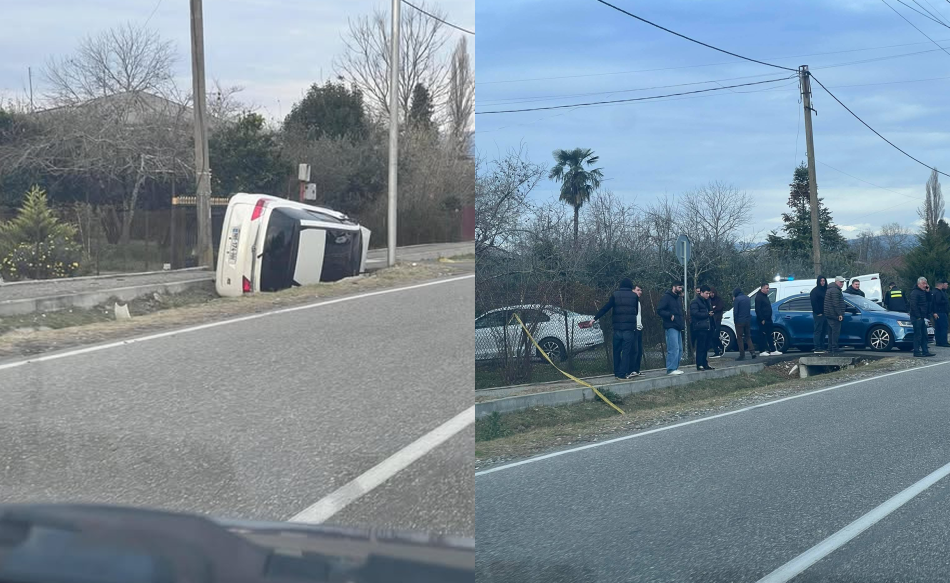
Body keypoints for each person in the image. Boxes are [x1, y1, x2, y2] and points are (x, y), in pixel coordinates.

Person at [590, 278, 641, 379]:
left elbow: (606, 308)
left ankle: (617, 372)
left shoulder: (615, 295)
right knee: (626, 352)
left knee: (616, 351)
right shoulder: (634, 296)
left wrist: (595, 318)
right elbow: (635, 311)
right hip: (629, 329)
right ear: (630, 286)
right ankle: (623, 373)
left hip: (617, 328)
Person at [657, 282, 686, 375]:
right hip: (670, 325)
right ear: (673, 287)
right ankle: (671, 368)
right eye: (679, 287)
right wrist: (669, 315)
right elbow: (660, 310)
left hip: (678, 326)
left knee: (680, 349)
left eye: (681, 287)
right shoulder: (666, 297)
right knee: (673, 348)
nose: (680, 289)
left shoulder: (678, 299)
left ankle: (675, 367)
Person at [690, 285, 715, 371]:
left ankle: (705, 363)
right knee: (700, 347)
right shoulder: (695, 302)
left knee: (706, 347)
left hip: (708, 327)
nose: (708, 295)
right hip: (700, 327)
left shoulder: (707, 301)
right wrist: (707, 314)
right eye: (706, 293)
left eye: (709, 293)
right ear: (701, 293)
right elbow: (695, 313)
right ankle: (699, 364)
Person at [909, 276, 935, 357]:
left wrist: (928, 292)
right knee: (918, 335)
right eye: (923, 283)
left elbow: (930, 300)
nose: (925, 285)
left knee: (924, 334)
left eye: (926, 283)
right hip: (917, 317)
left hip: (923, 317)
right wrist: (918, 316)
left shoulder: (924, 292)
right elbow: (913, 305)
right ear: (919, 284)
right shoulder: (915, 293)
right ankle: (916, 352)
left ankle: (925, 351)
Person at [754, 283, 779, 355]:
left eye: (768, 288)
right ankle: (762, 350)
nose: (768, 290)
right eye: (767, 288)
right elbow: (757, 309)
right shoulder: (759, 297)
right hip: (763, 320)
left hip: (768, 318)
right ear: (762, 289)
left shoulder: (765, 296)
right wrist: (762, 319)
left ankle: (773, 350)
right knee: (762, 335)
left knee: (769, 334)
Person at [824, 276, 846, 356]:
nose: (842, 284)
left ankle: (830, 348)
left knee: (830, 332)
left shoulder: (830, 289)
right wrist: (840, 314)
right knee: (835, 332)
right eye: (841, 282)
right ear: (836, 282)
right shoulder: (835, 290)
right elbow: (836, 304)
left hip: (829, 314)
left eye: (843, 282)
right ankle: (834, 348)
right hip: (834, 315)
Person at [732, 287, 756, 360]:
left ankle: (742, 355)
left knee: (739, 338)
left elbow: (735, 311)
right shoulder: (747, 298)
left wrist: (735, 320)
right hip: (747, 320)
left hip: (739, 321)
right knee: (748, 336)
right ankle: (752, 352)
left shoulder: (737, 300)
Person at [810, 275, 829, 354]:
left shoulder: (826, 290)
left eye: (823, 281)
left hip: (826, 313)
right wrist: (818, 312)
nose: (822, 282)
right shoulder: (815, 291)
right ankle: (817, 347)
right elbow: (814, 303)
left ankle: (822, 346)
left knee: (824, 331)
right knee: (818, 330)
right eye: (821, 281)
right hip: (819, 314)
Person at [708, 286, 726, 358]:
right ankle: (717, 350)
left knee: (715, 335)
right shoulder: (708, 300)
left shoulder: (719, 300)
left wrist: (713, 309)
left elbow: (719, 307)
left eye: (713, 293)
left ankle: (720, 348)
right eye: (710, 293)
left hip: (717, 320)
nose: (711, 294)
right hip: (711, 320)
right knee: (712, 336)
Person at [932, 280, 950, 347]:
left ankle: (939, 341)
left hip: (937, 312)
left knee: (938, 328)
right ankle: (943, 342)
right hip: (941, 312)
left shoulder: (934, 292)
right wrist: (945, 301)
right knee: (943, 327)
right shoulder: (938, 292)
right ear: (940, 285)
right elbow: (938, 301)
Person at [631, 285, 644, 375]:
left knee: (639, 350)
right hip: (634, 328)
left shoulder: (638, 302)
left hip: (639, 328)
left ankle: (636, 369)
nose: (640, 292)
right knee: (634, 350)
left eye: (641, 290)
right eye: (638, 290)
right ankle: (631, 370)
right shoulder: (631, 301)